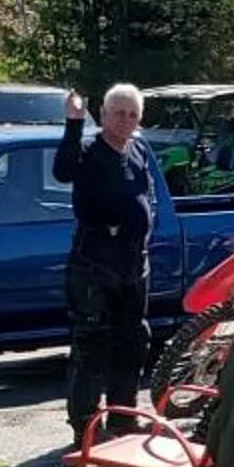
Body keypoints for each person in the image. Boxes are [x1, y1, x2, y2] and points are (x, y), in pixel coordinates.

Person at [56, 83, 153, 440]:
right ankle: (85, 427)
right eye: (118, 113)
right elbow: (62, 171)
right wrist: (73, 122)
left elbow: (145, 194)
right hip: (94, 262)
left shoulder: (139, 148)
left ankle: (123, 417)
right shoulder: (87, 150)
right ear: (103, 114)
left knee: (134, 340)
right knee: (92, 344)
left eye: (132, 114)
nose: (125, 119)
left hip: (133, 260)